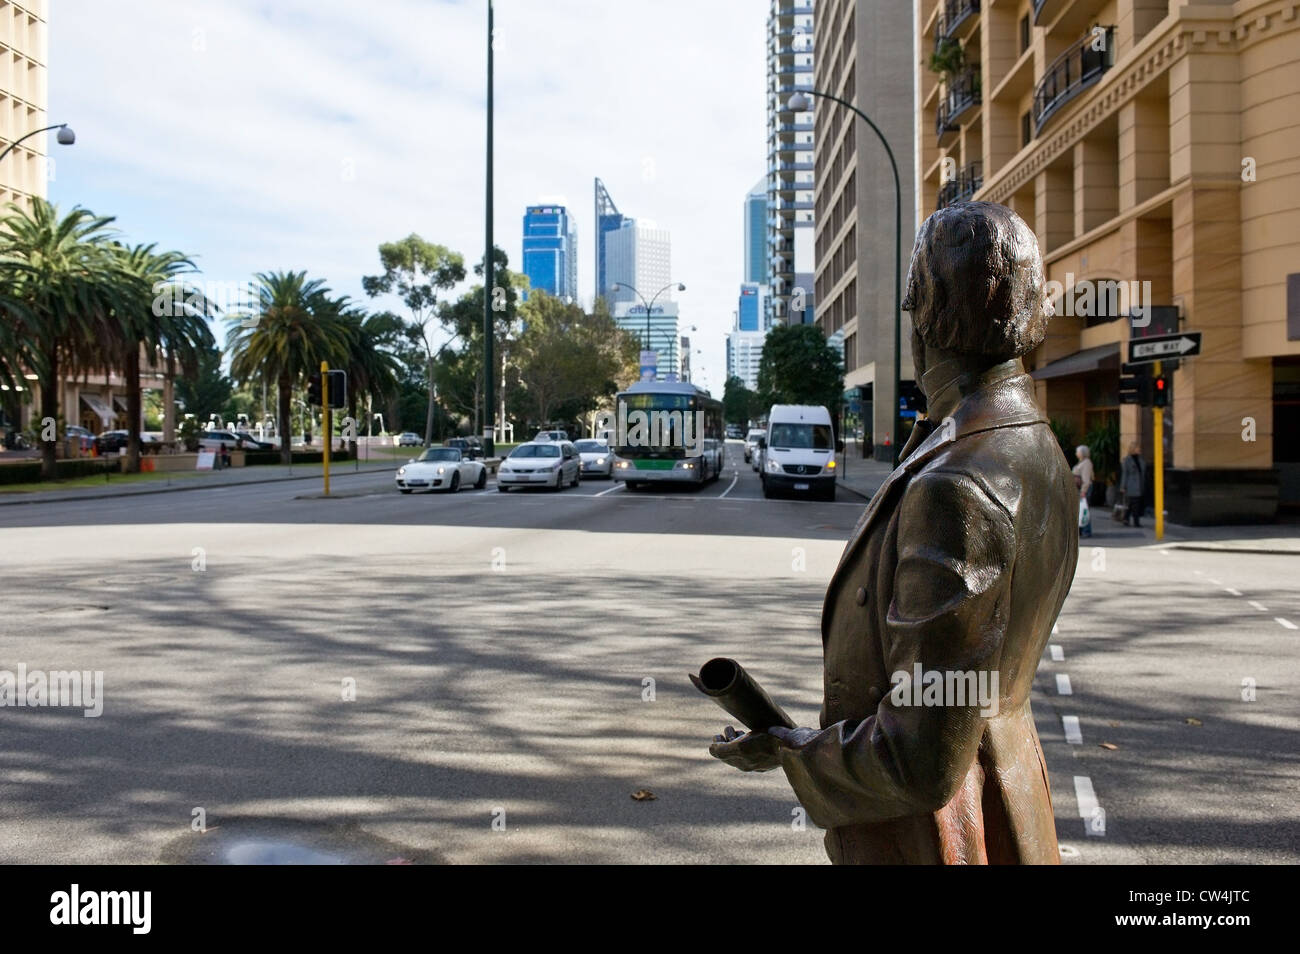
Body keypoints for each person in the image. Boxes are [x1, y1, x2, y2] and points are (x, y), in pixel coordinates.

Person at [708, 202, 1077, 864]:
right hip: (1010, 794)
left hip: (940, 837)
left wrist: (790, 752)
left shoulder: (955, 485)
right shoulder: (1036, 446)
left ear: (924, 310)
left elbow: (919, 760)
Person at [1121, 442, 1145, 528]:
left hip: (1140, 485)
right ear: (1133, 449)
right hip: (1131, 485)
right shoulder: (1127, 460)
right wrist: (1123, 486)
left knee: (1132, 504)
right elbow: (1125, 474)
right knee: (1135, 504)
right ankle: (1136, 522)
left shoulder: (1140, 459)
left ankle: (1125, 518)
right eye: (1138, 448)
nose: (1139, 449)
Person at [1072, 444, 1094, 537]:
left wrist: (1083, 491)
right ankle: (1081, 530)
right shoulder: (1082, 462)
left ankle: (1086, 531)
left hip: (1084, 489)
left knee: (1084, 510)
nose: (1076, 453)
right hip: (1080, 489)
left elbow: (1086, 479)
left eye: (1077, 451)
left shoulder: (1086, 463)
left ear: (1082, 453)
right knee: (1080, 510)